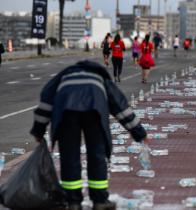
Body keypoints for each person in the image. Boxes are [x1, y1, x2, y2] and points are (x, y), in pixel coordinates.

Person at [30, 60, 148, 210]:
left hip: (66, 112)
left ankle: (73, 202)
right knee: (97, 155)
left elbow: (45, 103)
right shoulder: (100, 78)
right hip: (94, 110)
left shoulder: (63, 76)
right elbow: (120, 106)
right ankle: (100, 201)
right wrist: (139, 132)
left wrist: (38, 131)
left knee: (69, 156)